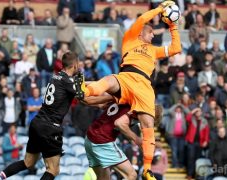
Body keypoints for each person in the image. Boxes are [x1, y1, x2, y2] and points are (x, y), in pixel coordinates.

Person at [74, 1, 181, 179]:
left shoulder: (154, 51)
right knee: (109, 80)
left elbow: (176, 48)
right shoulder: (130, 41)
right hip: (127, 77)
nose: (153, 35)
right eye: (151, 32)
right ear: (141, 32)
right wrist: (159, 10)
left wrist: (173, 26)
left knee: (146, 125)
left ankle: (147, 169)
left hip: (140, 86)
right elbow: (142, 19)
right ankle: (84, 90)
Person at [0, 52, 84, 180]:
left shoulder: (55, 77)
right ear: (75, 65)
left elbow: (72, 87)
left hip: (37, 123)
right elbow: (82, 96)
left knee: (28, 162)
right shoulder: (67, 82)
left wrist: (78, 83)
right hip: (50, 127)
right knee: (53, 170)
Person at [85, 103, 140, 180]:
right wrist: (138, 140)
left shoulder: (121, 99)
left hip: (90, 137)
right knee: (131, 175)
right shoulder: (134, 109)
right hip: (102, 141)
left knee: (103, 178)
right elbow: (119, 123)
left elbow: (101, 104)